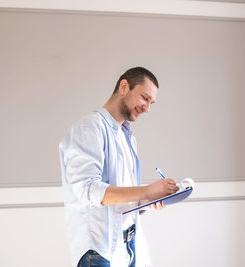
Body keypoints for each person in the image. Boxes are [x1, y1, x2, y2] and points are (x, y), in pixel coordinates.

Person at [59, 67, 179, 267]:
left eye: (151, 103)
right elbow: (88, 191)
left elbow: (121, 198)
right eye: (144, 98)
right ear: (124, 86)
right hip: (98, 251)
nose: (147, 108)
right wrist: (148, 190)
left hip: (127, 245)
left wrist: (148, 199)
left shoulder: (126, 136)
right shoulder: (89, 128)